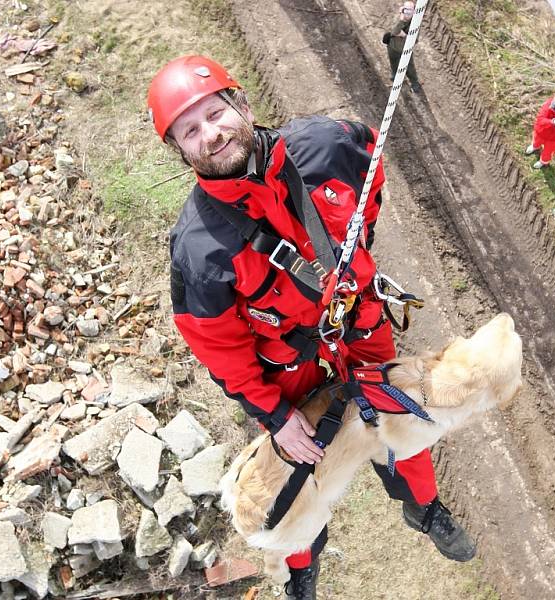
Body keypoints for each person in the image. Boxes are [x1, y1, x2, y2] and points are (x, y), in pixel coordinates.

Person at [147, 55, 474, 599]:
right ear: (179, 151)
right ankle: (302, 566)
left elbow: (372, 169)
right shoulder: (200, 251)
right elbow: (220, 349)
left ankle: (424, 509)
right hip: (287, 377)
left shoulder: (327, 147)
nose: (211, 134)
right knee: (293, 482)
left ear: (242, 105)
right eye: (190, 130)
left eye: (215, 113)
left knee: (406, 431)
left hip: (360, 330)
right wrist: (275, 416)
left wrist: (357, 246)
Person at [386, 1, 422, 93]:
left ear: (414, 12)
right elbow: (394, 32)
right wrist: (401, 21)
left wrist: (404, 35)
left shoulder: (415, 24)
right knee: (394, 63)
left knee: (410, 68)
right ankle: (395, 75)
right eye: (406, 11)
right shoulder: (399, 19)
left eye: (410, 12)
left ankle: (414, 83)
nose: (407, 14)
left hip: (405, 50)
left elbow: (414, 40)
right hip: (393, 47)